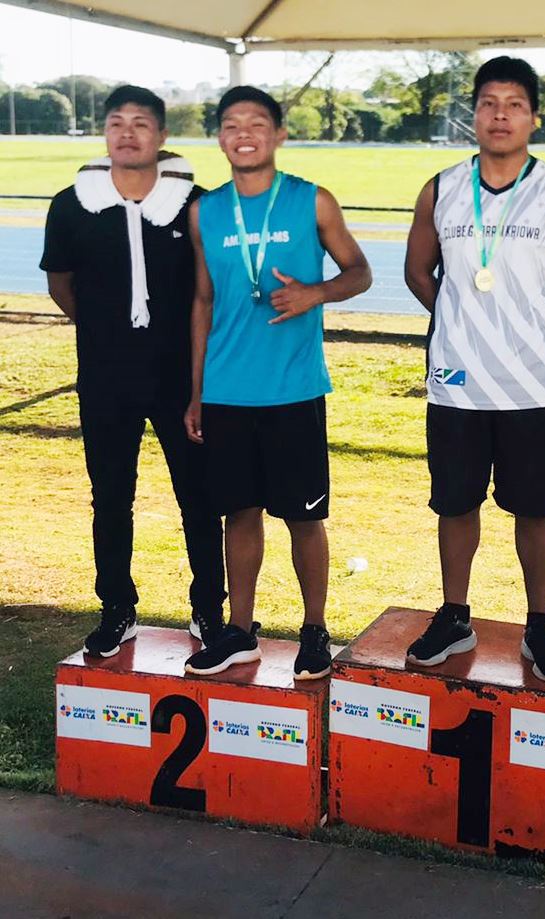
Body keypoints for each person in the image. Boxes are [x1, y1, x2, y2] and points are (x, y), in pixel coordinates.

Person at [403, 57, 545, 681]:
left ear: (534, 118)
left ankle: (539, 624)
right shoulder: (440, 188)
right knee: (455, 505)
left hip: (534, 385)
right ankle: (455, 613)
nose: (500, 114)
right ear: (474, 114)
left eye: (514, 104)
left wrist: (540, 329)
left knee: (536, 509)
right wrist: (463, 324)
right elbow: (417, 272)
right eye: (489, 102)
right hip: (456, 384)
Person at [182, 86, 371, 679]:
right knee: (238, 513)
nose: (244, 132)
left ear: (278, 134)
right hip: (227, 391)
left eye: (257, 123)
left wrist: (318, 292)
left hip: (293, 391)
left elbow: (360, 271)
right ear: (219, 137)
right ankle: (240, 631)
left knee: (304, 517)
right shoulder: (204, 211)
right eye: (231, 123)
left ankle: (315, 631)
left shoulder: (311, 201)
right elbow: (203, 301)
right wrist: (196, 391)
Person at [41, 85, 226, 657]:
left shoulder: (197, 203)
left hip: (179, 378)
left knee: (198, 496)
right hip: (105, 378)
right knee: (111, 497)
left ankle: (208, 609)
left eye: (141, 123)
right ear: (105, 133)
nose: (127, 132)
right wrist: (110, 330)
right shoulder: (71, 203)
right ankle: (116, 607)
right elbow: (61, 284)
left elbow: (208, 294)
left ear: (162, 136)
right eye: (117, 122)